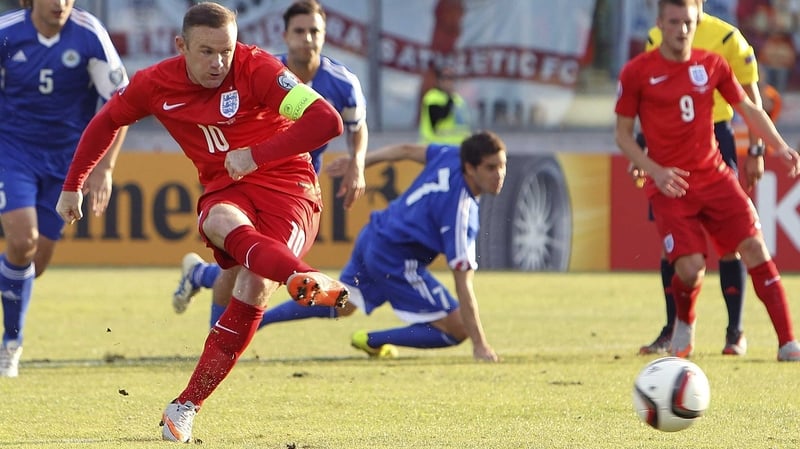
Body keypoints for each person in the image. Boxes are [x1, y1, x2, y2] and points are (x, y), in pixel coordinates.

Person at [54, 2, 347, 442]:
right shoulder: (155, 83)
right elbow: (107, 120)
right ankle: (302, 277)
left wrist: (256, 154)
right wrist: (73, 184)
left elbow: (327, 120)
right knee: (217, 221)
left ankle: (185, 405)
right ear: (182, 46)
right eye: (206, 52)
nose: (219, 63)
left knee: (252, 284)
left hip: (290, 189)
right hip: (227, 187)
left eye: (226, 51)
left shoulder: (260, 68)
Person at [615, 0, 800, 362]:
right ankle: (684, 322)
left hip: (714, 176)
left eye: (688, 22)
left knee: (754, 248)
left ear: (697, 20)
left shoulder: (712, 64)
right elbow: (622, 135)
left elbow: (748, 108)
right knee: (690, 268)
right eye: (674, 22)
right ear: (659, 24)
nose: (682, 30)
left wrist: (779, 147)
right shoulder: (637, 72)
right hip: (671, 185)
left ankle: (788, 342)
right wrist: (654, 169)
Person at [171, 0, 369, 331]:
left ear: (325, 35)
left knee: (251, 267)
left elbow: (356, 125)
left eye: (315, 32)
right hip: (249, 181)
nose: (307, 39)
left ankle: (199, 277)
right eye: (300, 31)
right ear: (285, 34)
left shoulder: (342, 82)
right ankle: (217, 336)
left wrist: (358, 164)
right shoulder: (267, 71)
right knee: (247, 268)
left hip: (295, 189)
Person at [254, 130, 505, 363]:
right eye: (491, 168)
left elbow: (406, 150)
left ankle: (258, 319)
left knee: (344, 303)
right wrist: (480, 344)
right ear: (470, 168)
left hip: (375, 235)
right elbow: (463, 284)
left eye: (502, 166)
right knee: (459, 327)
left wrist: (360, 163)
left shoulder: (451, 155)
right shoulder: (461, 213)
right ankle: (373, 339)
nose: (499, 174)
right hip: (395, 257)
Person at [0, 0, 129, 378]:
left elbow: (120, 103)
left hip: (68, 161)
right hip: (14, 153)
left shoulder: (90, 35)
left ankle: (10, 335)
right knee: (22, 242)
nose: (60, 3)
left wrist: (104, 166)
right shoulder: (7, 33)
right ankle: (11, 344)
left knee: (32, 265)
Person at [637, 0, 766, 357]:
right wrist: (642, 149)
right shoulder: (655, 36)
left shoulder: (728, 37)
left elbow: (751, 100)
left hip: (714, 140)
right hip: (666, 143)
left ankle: (734, 331)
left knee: (731, 241)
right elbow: (649, 99)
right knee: (673, 240)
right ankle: (672, 328)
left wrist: (757, 151)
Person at [418, 64, 471, 145]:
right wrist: (449, 97)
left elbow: (464, 125)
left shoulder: (458, 99)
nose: (449, 82)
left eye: (452, 78)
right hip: (437, 147)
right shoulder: (433, 97)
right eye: (446, 77)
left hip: (458, 147)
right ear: (439, 80)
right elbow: (440, 116)